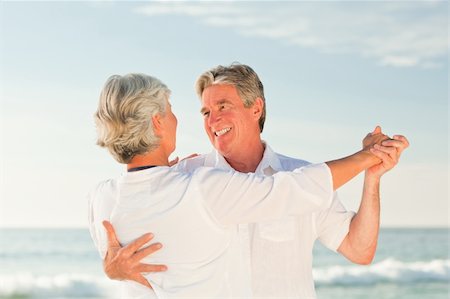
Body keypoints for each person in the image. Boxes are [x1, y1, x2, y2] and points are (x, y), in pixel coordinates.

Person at [99, 65, 409, 298]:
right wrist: (112, 268)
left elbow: (359, 250)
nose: (212, 120)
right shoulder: (185, 179)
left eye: (223, 107)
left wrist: (373, 177)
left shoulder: (305, 177)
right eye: (206, 111)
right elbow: (132, 212)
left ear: (256, 108)